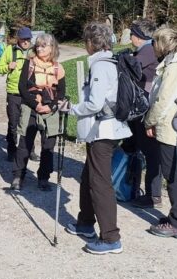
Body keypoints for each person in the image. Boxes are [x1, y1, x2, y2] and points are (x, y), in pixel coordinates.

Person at [64, 22, 132, 255]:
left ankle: (111, 237)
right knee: (88, 177)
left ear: (90, 43)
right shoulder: (110, 61)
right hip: (107, 129)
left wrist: (72, 109)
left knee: (100, 183)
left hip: (104, 131)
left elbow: (94, 104)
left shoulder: (101, 66)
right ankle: (85, 223)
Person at [145, 26, 177, 239]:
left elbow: (163, 101)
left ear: (162, 44)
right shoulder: (174, 64)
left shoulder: (174, 68)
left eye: (155, 42)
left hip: (171, 130)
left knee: (174, 176)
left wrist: (149, 121)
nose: (153, 46)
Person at [12, 34, 66, 191]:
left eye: (43, 45)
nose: (39, 48)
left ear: (52, 48)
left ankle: (43, 178)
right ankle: (18, 176)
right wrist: (36, 105)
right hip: (31, 108)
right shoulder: (29, 64)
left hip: (50, 111)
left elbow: (61, 92)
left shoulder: (58, 68)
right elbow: (22, 88)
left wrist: (51, 107)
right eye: (38, 45)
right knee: (25, 143)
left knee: (48, 146)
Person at [124, 19, 162, 209]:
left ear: (138, 36)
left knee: (149, 151)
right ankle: (132, 186)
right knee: (136, 146)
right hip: (141, 106)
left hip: (144, 108)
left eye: (132, 33)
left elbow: (130, 69)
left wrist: (124, 59)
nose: (130, 36)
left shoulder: (147, 50)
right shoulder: (146, 49)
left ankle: (152, 195)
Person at [0, 27, 36, 161]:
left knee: (30, 123)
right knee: (13, 123)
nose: (26, 42)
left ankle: (30, 150)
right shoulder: (10, 50)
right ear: (18, 39)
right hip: (14, 93)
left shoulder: (35, 51)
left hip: (30, 93)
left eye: (28, 39)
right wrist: (8, 67)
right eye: (23, 39)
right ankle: (12, 150)